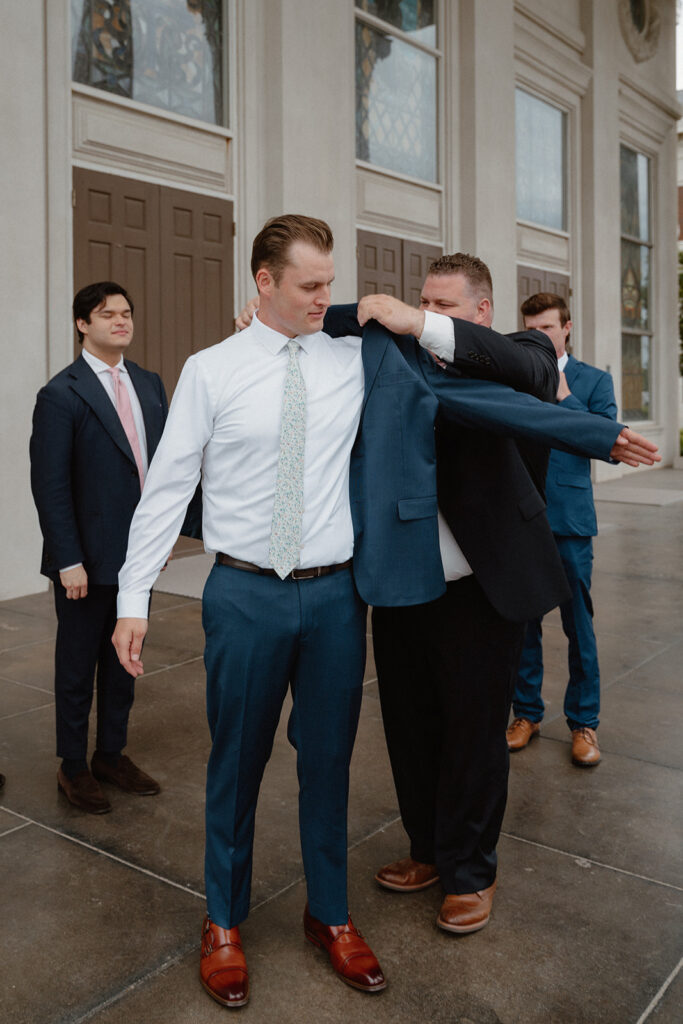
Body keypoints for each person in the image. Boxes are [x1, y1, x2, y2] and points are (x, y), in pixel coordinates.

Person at [236, 252, 658, 943]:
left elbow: (529, 372)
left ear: (481, 311)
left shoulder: (516, 352)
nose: (426, 313)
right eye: (422, 301)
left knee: (471, 736)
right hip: (403, 584)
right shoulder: (397, 357)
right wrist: (269, 319)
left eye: (445, 305)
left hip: (480, 589)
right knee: (409, 727)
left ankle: (471, 873)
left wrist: (422, 325)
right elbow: (345, 317)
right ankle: (428, 849)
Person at [30, 282, 168, 814]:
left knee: (123, 661)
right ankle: (72, 766)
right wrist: (68, 559)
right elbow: (51, 485)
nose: (120, 321)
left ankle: (111, 754)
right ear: (82, 324)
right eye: (106, 314)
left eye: (126, 313)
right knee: (76, 667)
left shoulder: (150, 384)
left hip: (138, 556)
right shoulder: (61, 394)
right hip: (84, 560)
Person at [507, 293, 616, 767]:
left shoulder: (594, 381)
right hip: (522, 519)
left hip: (570, 523)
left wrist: (565, 397)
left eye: (548, 328)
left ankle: (584, 724)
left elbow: (606, 443)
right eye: (532, 327)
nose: (541, 336)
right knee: (523, 626)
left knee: (579, 628)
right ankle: (526, 714)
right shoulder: (515, 377)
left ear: (566, 328)